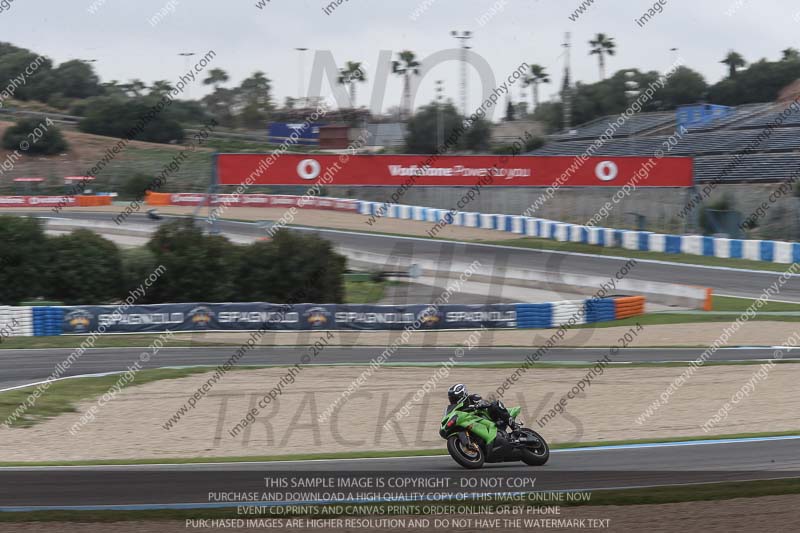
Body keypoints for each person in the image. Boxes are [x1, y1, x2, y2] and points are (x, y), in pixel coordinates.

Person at [446, 383, 519, 433]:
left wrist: (479, 405)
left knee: (495, 404)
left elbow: (484, 401)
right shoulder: (458, 409)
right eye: (451, 399)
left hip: (489, 418)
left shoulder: (472, 397)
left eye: (454, 398)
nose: (453, 400)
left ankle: (514, 426)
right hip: (476, 426)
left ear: (462, 395)